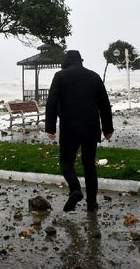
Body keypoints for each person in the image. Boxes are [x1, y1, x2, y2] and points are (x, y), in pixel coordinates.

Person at [45, 50, 113, 212]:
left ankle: (75, 189)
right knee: (89, 165)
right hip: (91, 127)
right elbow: (104, 104)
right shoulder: (94, 76)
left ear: (66, 61)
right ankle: (91, 204)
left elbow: (52, 102)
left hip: (69, 127)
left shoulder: (60, 76)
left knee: (66, 162)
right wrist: (107, 128)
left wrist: (50, 127)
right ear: (80, 61)